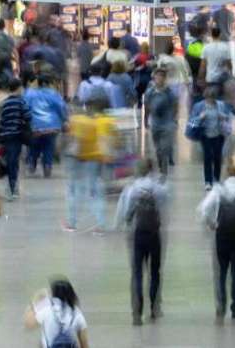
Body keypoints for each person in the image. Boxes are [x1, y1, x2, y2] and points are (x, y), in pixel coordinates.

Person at [197, 158, 235, 323]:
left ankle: (220, 307)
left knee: (220, 274)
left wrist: (212, 224)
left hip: (221, 235)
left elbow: (203, 211)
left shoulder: (218, 191)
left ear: (225, 174)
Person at [114, 159, 169, 326]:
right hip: (154, 233)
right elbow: (164, 207)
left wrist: (120, 227)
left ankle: (136, 312)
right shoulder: (159, 189)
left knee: (137, 273)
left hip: (136, 235)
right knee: (155, 271)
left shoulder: (131, 189)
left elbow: (123, 214)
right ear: (151, 170)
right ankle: (154, 307)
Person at [64, 93, 116, 234]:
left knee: (74, 191)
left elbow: (72, 139)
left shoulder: (80, 120)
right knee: (95, 192)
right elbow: (109, 141)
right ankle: (100, 224)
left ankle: (72, 223)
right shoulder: (107, 121)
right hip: (96, 160)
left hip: (78, 160)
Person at [24, 75, 69, 179]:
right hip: (52, 125)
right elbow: (61, 107)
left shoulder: (30, 93)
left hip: (34, 126)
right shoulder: (54, 94)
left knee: (34, 146)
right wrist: (64, 119)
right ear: (49, 83)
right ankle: (47, 165)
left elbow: (25, 106)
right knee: (49, 147)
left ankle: (32, 162)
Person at [24, 278, 89, 348]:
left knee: (42, 343)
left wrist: (35, 300)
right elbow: (84, 345)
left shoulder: (47, 310)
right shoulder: (77, 313)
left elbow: (28, 324)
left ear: (53, 294)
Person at [191, 86, 233, 190]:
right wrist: (200, 118)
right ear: (205, 97)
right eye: (209, 98)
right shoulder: (199, 107)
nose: (210, 100)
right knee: (207, 157)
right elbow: (192, 123)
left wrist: (223, 117)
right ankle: (208, 181)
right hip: (205, 136)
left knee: (217, 157)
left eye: (213, 98)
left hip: (219, 135)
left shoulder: (221, 106)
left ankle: (216, 180)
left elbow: (228, 118)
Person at [0, 78, 32, 199]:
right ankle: (13, 187)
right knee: (14, 161)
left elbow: (1, 121)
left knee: (10, 160)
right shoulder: (21, 102)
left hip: (6, 136)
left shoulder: (4, 103)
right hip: (17, 136)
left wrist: (0, 138)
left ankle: (11, 186)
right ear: (18, 88)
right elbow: (28, 116)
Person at [143, 68, 178, 176]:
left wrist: (174, 118)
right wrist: (145, 119)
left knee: (165, 147)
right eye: (158, 76)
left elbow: (175, 105)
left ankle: (164, 169)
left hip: (167, 123)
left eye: (162, 77)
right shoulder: (150, 92)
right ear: (154, 78)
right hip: (155, 124)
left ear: (165, 79)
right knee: (158, 148)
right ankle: (160, 164)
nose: (160, 79)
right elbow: (147, 106)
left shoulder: (169, 92)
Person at [213, 4, 235, 74]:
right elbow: (234, 27)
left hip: (219, 40)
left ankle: (220, 75)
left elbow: (213, 25)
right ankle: (231, 75)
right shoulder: (231, 13)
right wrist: (233, 37)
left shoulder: (216, 13)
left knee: (219, 59)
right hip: (229, 40)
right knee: (231, 59)